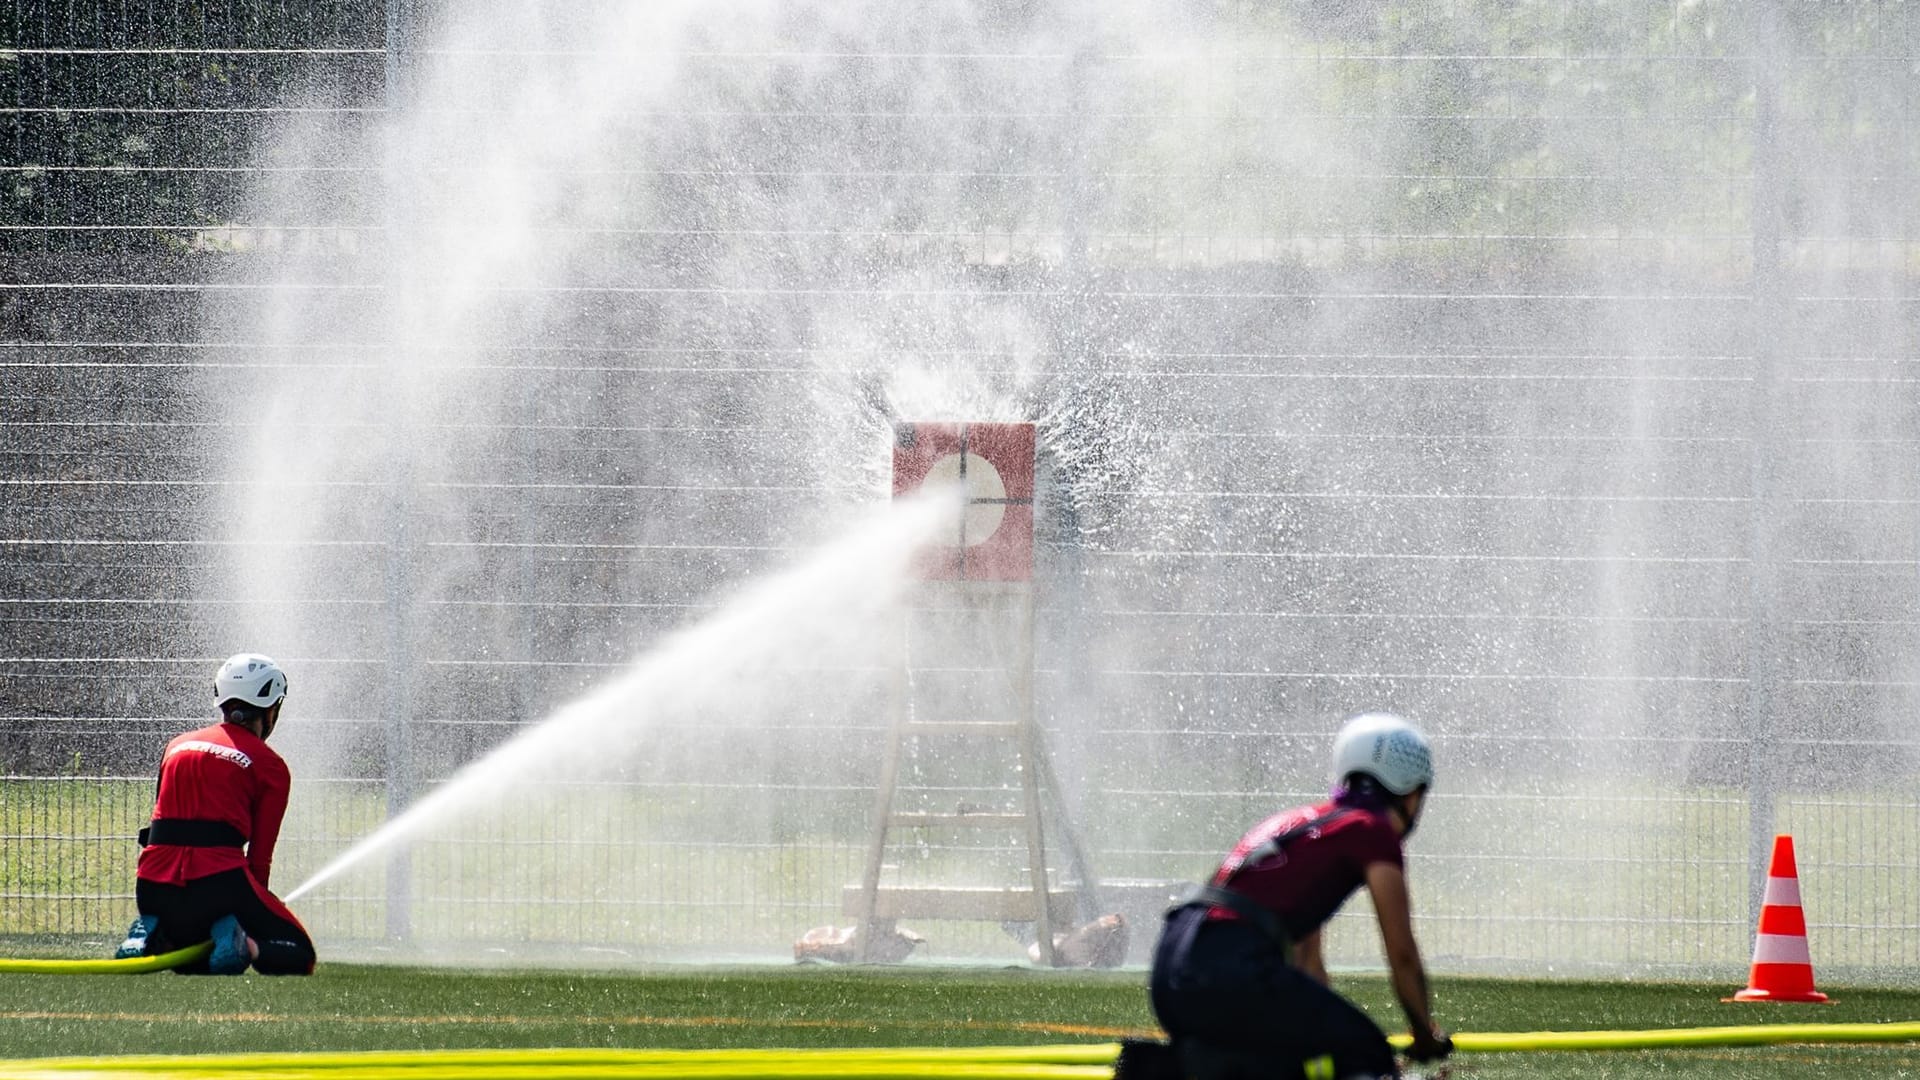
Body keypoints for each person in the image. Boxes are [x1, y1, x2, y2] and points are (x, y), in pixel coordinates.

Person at [1143, 712, 1450, 1080]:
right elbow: (1402, 953)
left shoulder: (1304, 824)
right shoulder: (1372, 831)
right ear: (1411, 790)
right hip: (1228, 964)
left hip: (1172, 963)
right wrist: (1421, 1034)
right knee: (1364, 1049)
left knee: (1285, 1058)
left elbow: (1307, 967)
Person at [114, 653, 316, 975]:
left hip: (152, 890)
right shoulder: (271, 766)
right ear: (270, 709)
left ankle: (154, 935)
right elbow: (259, 861)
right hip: (219, 889)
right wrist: (254, 920)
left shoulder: (176, 746)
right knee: (301, 953)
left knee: (189, 961)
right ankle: (240, 942)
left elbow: (157, 830)